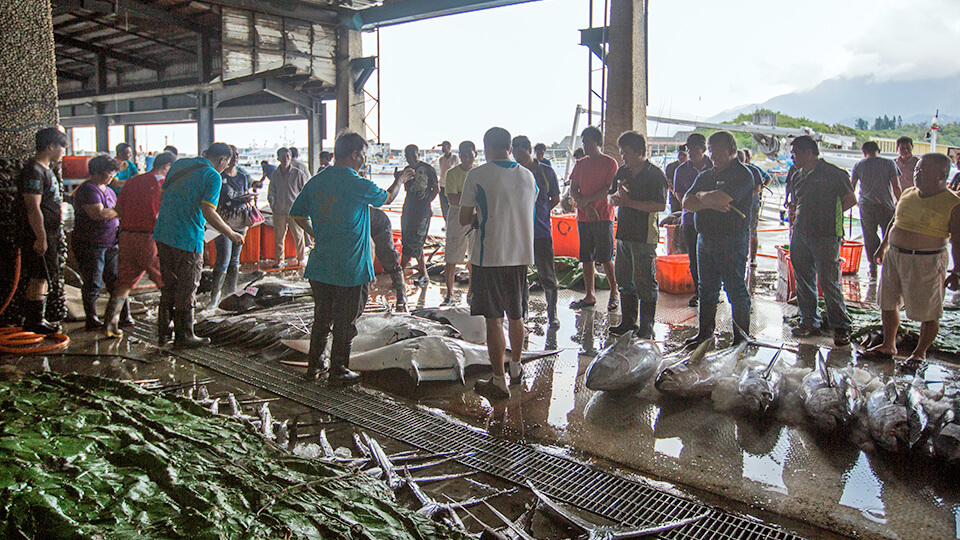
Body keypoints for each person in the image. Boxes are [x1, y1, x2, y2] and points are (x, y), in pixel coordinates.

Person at [290, 132, 403, 383]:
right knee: (346, 321)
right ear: (354, 155)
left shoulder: (317, 180)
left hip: (320, 267)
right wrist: (401, 179)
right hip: (350, 269)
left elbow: (296, 214)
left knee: (322, 317)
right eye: (363, 154)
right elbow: (387, 198)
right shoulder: (356, 183)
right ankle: (338, 369)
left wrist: (315, 232)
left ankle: (314, 365)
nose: (364, 160)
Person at [460, 127, 538, 400]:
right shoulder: (528, 176)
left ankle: (498, 380)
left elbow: (463, 218)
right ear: (509, 146)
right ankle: (515, 368)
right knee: (516, 314)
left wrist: (478, 218)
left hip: (489, 256)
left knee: (494, 320)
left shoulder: (477, 175)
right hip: (520, 256)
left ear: (486, 146)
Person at [868, 153, 960, 367]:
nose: (917, 174)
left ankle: (920, 353)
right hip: (895, 257)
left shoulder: (954, 204)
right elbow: (894, 221)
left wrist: (957, 272)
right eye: (918, 169)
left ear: (942, 175)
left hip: (927, 261)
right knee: (888, 303)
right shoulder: (908, 193)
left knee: (929, 311)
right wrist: (883, 247)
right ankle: (889, 344)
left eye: (924, 170)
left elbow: (958, 240)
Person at [153, 143, 244, 348]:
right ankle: (185, 335)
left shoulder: (180, 165)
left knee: (170, 285)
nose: (225, 167)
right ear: (222, 160)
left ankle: (163, 332)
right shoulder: (213, 176)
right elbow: (208, 211)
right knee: (188, 287)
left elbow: (163, 195)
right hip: (187, 238)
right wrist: (231, 233)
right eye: (225, 163)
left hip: (163, 233)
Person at [682, 131, 754, 345]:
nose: (711, 155)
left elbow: (721, 198)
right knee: (707, 290)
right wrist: (708, 198)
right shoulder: (706, 174)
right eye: (710, 150)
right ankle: (705, 335)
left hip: (732, 240)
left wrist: (703, 197)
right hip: (704, 239)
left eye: (716, 150)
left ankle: (741, 339)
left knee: (735, 289)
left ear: (731, 150)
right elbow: (687, 202)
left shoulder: (742, 174)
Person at [787, 136, 857, 346]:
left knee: (829, 282)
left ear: (809, 153)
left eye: (795, 153)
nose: (793, 157)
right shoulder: (796, 175)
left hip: (826, 234)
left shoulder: (834, 173)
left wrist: (828, 215)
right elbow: (796, 201)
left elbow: (850, 200)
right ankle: (810, 321)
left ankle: (841, 327)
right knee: (804, 279)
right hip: (800, 233)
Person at [103, 151, 176, 338]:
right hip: (149, 238)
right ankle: (168, 329)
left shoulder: (134, 181)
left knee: (124, 282)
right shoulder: (162, 185)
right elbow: (167, 215)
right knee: (166, 283)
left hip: (126, 237)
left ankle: (110, 325)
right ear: (167, 166)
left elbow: (118, 209)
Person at [608, 131, 667, 338]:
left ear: (640, 152)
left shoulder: (655, 175)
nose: (623, 157)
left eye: (627, 153)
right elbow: (611, 196)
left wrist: (628, 202)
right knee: (624, 278)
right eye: (622, 153)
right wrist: (615, 199)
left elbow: (660, 205)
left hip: (645, 235)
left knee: (644, 280)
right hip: (623, 232)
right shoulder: (622, 172)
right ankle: (628, 321)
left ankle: (647, 326)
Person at [16, 127, 68, 334]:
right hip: (38, 233)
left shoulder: (46, 170)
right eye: (62, 147)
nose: (63, 152)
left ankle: (40, 318)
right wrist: (41, 237)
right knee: (39, 275)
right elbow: (32, 207)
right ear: (51, 146)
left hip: (50, 232)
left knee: (45, 275)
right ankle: (34, 321)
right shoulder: (33, 171)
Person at [568, 126, 619, 311]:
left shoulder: (609, 163)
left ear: (598, 142)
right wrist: (586, 206)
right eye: (583, 142)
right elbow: (573, 189)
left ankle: (614, 291)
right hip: (583, 216)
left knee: (605, 257)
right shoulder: (580, 164)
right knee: (586, 257)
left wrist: (587, 201)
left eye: (588, 142)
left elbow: (608, 189)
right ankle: (590, 295)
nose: (585, 146)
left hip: (603, 215)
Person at [514, 135, 562, 328]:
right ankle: (522, 313)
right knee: (520, 275)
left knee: (548, 275)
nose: (516, 156)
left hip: (541, 232)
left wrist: (541, 211)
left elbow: (556, 198)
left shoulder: (546, 172)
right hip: (519, 232)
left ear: (529, 150)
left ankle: (553, 314)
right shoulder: (514, 172)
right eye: (514, 152)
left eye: (519, 152)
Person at [71, 155, 122, 329]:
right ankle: (91, 318)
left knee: (114, 281)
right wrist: (118, 210)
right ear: (96, 172)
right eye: (109, 173)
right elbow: (98, 214)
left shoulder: (108, 190)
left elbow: (114, 212)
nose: (111, 177)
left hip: (110, 242)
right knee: (93, 282)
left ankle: (117, 315)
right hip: (90, 243)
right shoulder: (88, 190)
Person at [207, 145, 254, 309]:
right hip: (223, 222)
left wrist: (248, 199)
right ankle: (214, 297)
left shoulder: (243, 176)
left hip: (240, 221)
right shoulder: (217, 176)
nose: (235, 158)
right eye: (232, 155)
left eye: (237, 155)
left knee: (235, 261)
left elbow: (248, 190)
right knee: (223, 260)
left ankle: (230, 295)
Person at [851, 140, 901, 278]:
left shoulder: (859, 165)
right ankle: (890, 266)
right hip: (886, 205)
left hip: (866, 206)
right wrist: (902, 204)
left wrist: (853, 203)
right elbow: (896, 186)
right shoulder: (889, 163)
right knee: (889, 236)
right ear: (878, 151)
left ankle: (873, 267)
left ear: (863, 152)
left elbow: (851, 187)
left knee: (869, 236)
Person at [673, 133, 712, 307]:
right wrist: (693, 204)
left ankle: (713, 292)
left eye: (694, 149)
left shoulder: (713, 166)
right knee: (694, 257)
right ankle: (698, 292)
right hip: (689, 219)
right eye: (688, 149)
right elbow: (679, 194)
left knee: (712, 257)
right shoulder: (681, 170)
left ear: (703, 150)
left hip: (712, 220)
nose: (690, 152)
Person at [442, 141, 477, 306]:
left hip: (476, 217)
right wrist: (471, 198)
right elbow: (452, 198)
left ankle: (472, 293)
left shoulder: (479, 173)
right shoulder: (452, 173)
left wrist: (464, 195)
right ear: (459, 155)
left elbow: (480, 198)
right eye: (463, 154)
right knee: (451, 257)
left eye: (469, 154)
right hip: (457, 216)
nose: (466, 157)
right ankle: (449, 294)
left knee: (475, 257)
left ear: (475, 154)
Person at [398, 144, 438, 286]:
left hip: (422, 212)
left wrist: (426, 203)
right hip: (408, 210)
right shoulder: (406, 171)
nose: (412, 159)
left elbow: (436, 189)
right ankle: (424, 273)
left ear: (418, 155)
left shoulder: (428, 169)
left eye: (414, 156)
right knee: (411, 240)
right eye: (409, 157)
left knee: (412, 242)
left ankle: (399, 274)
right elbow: (406, 189)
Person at [268, 147, 309, 267]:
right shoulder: (275, 174)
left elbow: (305, 191)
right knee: (279, 237)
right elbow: (271, 192)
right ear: (278, 158)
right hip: (279, 211)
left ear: (291, 157)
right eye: (283, 156)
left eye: (288, 156)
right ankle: (279, 260)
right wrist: (273, 205)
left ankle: (301, 258)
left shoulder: (298, 173)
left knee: (299, 236)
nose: (285, 159)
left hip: (295, 211)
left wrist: (303, 208)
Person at [370, 206, 406, 312]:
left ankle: (401, 297)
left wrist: (370, 272)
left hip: (378, 224)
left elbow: (370, 245)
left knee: (389, 260)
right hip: (357, 226)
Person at [741, 149, 771, 264]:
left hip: (752, 204)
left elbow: (763, 182)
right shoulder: (733, 170)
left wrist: (747, 196)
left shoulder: (754, 169)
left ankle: (753, 258)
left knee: (752, 230)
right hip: (740, 205)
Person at [437, 141, 458, 225]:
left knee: (452, 205)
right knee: (443, 206)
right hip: (442, 185)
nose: (443, 149)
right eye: (442, 147)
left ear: (449, 147)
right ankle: (446, 223)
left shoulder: (455, 158)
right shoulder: (441, 159)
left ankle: (453, 222)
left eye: (444, 147)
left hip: (451, 185)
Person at [665, 144, 688, 212]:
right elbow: (668, 183)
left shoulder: (690, 167)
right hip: (674, 197)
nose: (681, 157)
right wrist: (676, 194)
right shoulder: (671, 167)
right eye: (679, 154)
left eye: (683, 155)